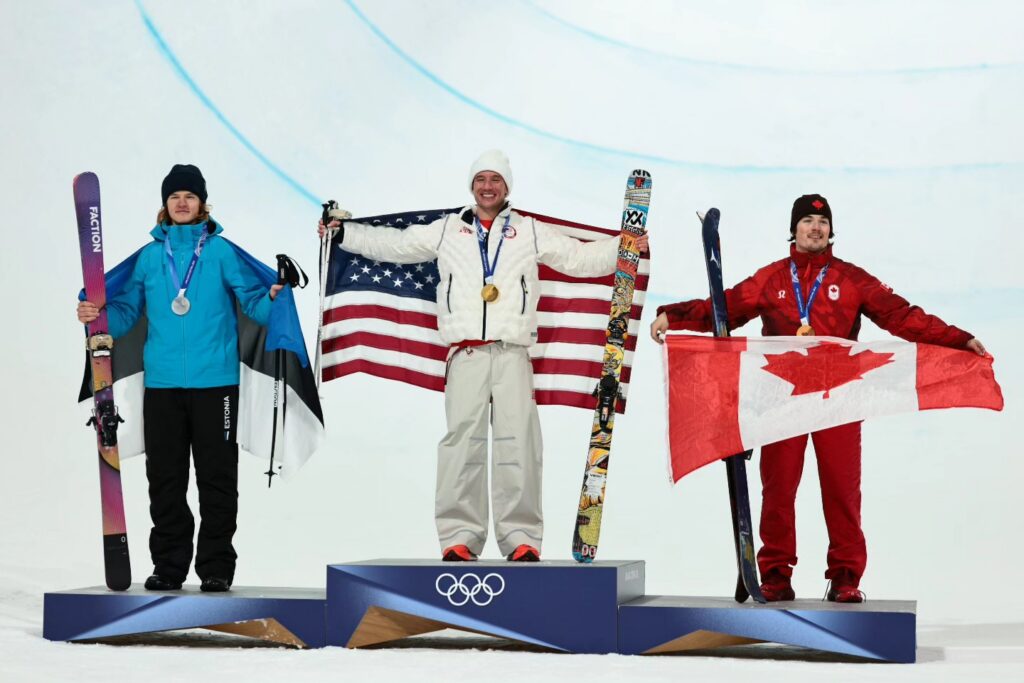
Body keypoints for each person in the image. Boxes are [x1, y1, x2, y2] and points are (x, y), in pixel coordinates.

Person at [650, 194, 985, 602]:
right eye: (806, 220)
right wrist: (675, 315)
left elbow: (903, 316)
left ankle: (845, 578)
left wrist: (958, 339)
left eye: (821, 222)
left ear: (831, 230)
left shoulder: (852, 279)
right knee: (778, 491)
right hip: (781, 400)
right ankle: (774, 575)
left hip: (839, 399)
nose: (815, 228)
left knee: (842, 491)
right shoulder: (772, 279)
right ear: (793, 230)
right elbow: (724, 308)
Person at [319, 150, 648, 562]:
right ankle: (460, 536)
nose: (487, 186)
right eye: (481, 179)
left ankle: (521, 538)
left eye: (495, 179)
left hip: (512, 353)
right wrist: (345, 234)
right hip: (466, 354)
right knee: (462, 445)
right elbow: (396, 245)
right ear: (472, 185)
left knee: (520, 445)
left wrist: (624, 247)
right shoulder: (447, 230)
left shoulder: (527, 230)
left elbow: (577, 259)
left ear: (507, 186)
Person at [77, 164, 283, 592]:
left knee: (217, 480)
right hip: (164, 387)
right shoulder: (152, 258)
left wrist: (274, 296)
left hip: (217, 385)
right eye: (175, 197)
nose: (183, 203)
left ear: (202, 203)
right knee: (166, 480)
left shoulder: (222, 252)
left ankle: (216, 567)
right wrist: (97, 318)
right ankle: (168, 566)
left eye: (190, 196)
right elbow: (128, 312)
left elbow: (254, 306)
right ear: (165, 205)